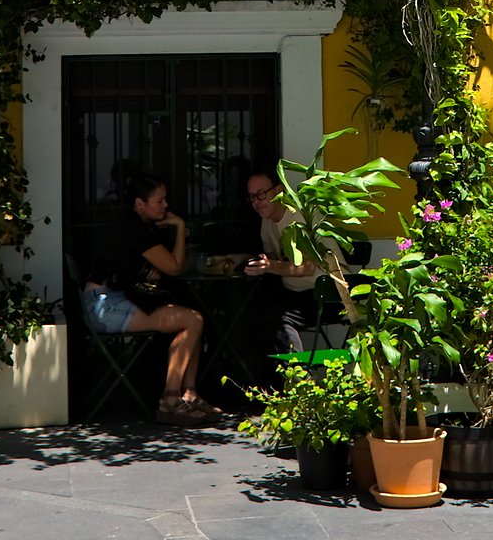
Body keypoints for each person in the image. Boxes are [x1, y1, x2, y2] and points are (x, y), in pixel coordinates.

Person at [81, 174, 220, 427]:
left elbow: (162, 265)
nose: (165, 205)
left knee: (194, 320)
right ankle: (170, 400)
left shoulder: (139, 225)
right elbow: (175, 266)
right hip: (105, 306)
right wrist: (179, 226)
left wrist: (150, 267)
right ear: (140, 203)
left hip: (112, 300)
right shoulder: (133, 228)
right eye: (160, 200)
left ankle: (188, 394)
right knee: (191, 320)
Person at [243, 171, 340, 353]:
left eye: (261, 194)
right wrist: (242, 259)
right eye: (252, 197)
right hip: (294, 292)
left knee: (278, 319)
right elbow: (273, 258)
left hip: (325, 292)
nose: (256, 201)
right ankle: (268, 377)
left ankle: (299, 377)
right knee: (252, 312)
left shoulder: (299, 217)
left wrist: (270, 266)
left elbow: (308, 267)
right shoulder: (267, 221)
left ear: (279, 190)